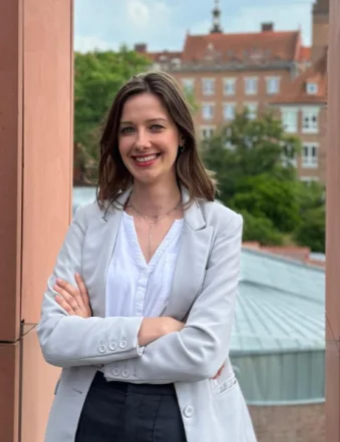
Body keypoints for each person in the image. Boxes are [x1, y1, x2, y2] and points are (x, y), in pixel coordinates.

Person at [37, 71, 257, 442]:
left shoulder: (221, 227)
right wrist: (156, 328)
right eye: (128, 130)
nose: (141, 142)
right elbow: (54, 337)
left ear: (181, 135)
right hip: (92, 413)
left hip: (180, 417)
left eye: (155, 127)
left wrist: (96, 340)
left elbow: (203, 352)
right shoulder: (89, 221)